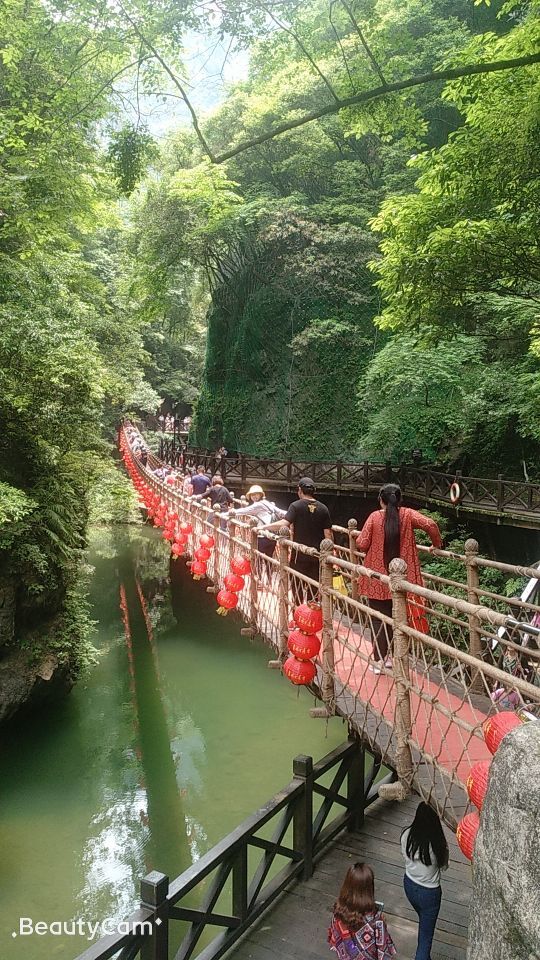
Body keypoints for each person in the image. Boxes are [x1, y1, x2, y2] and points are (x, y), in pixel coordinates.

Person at [356, 483, 442, 674]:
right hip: (403, 579)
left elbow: (362, 544)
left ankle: (380, 659)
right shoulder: (408, 515)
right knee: (401, 618)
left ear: (381, 499)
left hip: (377, 579)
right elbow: (431, 524)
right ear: (399, 499)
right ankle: (399, 658)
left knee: (379, 619)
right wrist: (436, 545)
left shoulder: (375, 517)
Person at [259, 477, 333, 604]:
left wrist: (264, 526)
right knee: (314, 586)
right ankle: (312, 614)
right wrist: (330, 556)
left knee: (297, 586)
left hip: (299, 555)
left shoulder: (295, 506)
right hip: (317, 555)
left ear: (300, 490)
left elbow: (284, 523)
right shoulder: (323, 508)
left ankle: (297, 612)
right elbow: (328, 534)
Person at [401, 802, 449, 960]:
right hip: (429, 893)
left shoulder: (406, 834)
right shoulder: (438, 845)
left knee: (424, 921)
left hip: (409, 884)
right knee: (425, 940)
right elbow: (444, 866)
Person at [328, 862, 396, 960]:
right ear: (369, 889)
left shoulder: (338, 913)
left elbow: (335, 940)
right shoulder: (376, 919)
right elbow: (385, 953)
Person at [224, 485, 287, 583]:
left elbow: (243, 511)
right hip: (272, 536)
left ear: (260, 494)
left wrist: (226, 513)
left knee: (257, 559)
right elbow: (280, 512)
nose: (254, 496)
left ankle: (259, 580)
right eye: (252, 495)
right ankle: (269, 581)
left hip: (262, 537)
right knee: (268, 559)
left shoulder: (257, 505)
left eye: (256, 494)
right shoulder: (267, 503)